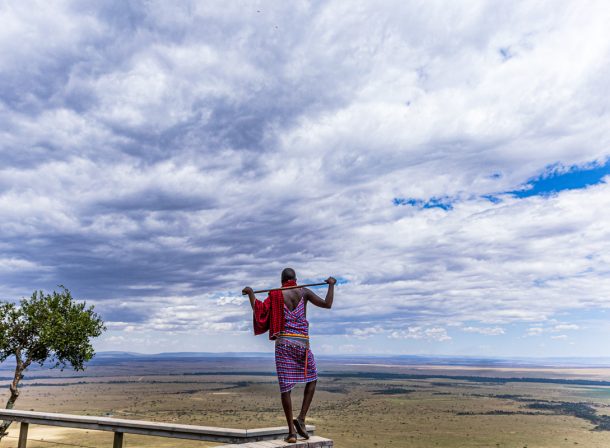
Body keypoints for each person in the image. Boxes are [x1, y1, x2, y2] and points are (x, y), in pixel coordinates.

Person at [242, 268, 336, 443]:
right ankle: (301, 418)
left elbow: (260, 311)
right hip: (302, 344)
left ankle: (292, 433)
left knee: (286, 388)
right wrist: (331, 285)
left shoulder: (276, 295)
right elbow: (327, 304)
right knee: (313, 378)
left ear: (282, 281)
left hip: (284, 344)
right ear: (295, 279)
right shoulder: (304, 292)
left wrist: (250, 294)